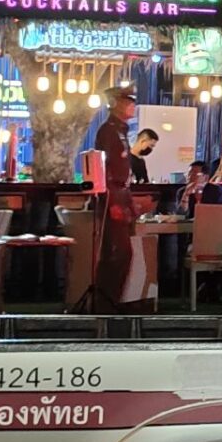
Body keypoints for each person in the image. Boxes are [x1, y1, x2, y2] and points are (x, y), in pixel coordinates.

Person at [89, 90, 142, 310]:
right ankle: (105, 304)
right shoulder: (108, 132)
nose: (132, 106)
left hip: (122, 195)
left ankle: (111, 302)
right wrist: (111, 203)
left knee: (122, 253)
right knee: (117, 253)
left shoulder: (121, 131)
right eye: (127, 101)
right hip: (112, 197)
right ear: (115, 104)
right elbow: (103, 170)